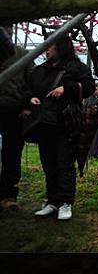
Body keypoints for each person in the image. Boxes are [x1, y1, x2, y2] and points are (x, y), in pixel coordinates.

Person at [24, 33, 94, 220]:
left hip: (66, 124)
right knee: (49, 164)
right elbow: (28, 88)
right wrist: (30, 98)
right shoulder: (41, 70)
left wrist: (67, 88)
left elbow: (89, 87)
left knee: (65, 163)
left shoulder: (76, 68)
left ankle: (65, 202)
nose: (47, 49)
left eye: (51, 45)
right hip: (44, 125)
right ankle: (52, 200)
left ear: (61, 47)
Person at [0, 25, 34, 211]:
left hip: (14, 109)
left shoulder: (22, 54)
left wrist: (27, 104)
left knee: (11, 154)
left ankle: (7, 195)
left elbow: (32, 81)